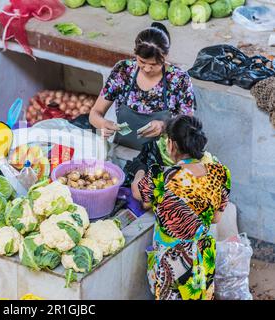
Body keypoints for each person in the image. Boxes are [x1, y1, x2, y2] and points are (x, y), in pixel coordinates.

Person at [136, 115, 231, 300]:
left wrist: (140, 169)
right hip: (202, 259)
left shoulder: (162, 175)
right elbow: (215, 218)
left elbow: (143, 200)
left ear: (171, 145)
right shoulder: (220, 173)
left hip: (172, 265)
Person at [89, 22, 196, 186]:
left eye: (154, 64)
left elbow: (188, 124)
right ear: (135, 54)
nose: (146, 68)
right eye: (141, 61)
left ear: (165, 56)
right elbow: (94, 114)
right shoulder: (123, 71)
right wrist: (103, 124)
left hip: (161, 163)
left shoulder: (179, 79)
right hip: (123, 155)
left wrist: (165, 125)